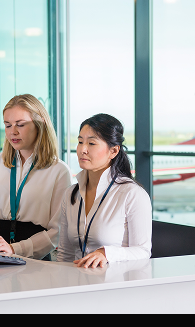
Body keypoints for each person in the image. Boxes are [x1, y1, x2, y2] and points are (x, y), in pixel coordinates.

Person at [0, 94, 72, 261]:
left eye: (21, 124)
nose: (13, 132)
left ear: (40, 124)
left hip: (34, 260)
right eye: (7, 125)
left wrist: (15, 248)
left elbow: (57, 232)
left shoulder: (59, 171)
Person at [57, 113, 152, 268]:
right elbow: (65, 254)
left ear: (113, 151)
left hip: (113, 284)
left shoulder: (132, 194)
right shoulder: (70, 194)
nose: (82, 150)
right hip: (75, 284)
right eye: (80, 142)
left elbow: (143, 251)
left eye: (91, 143)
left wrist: (107, 253)